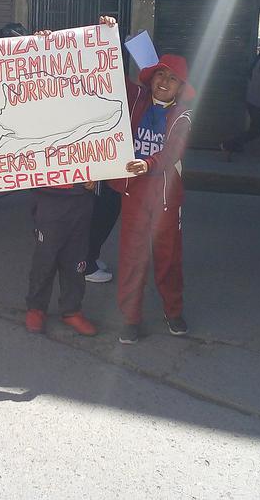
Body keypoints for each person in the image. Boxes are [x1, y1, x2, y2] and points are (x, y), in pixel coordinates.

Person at [111, 33, 194, 345]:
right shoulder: (135, 98)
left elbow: (173, 152)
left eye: (173, 79)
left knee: (168, 257)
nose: (164, 81)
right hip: (134, 194)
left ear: (180, 88)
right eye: (161, 73)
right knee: (132, 257)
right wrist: (109, 34)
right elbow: (109, 71)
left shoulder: (183, 115)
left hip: (165, 198)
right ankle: (129, 318)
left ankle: (173, 310)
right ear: (152, 76)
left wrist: (147, 163)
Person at [25, 180, 99, 336]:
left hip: (81, 198)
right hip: (47, 197)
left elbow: (102, 156)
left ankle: (71, 310)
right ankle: (36, 307)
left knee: (77, 258)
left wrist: (97, 176)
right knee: (45, 258)